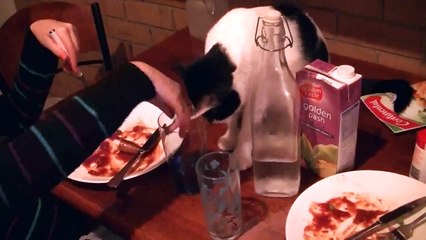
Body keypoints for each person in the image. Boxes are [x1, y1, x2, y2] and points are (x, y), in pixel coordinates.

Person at [0, 19, 192, 239]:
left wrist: (39, 46)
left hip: (74, 212)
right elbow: (11, 175)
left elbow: (14, 120)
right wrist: (136, 79)